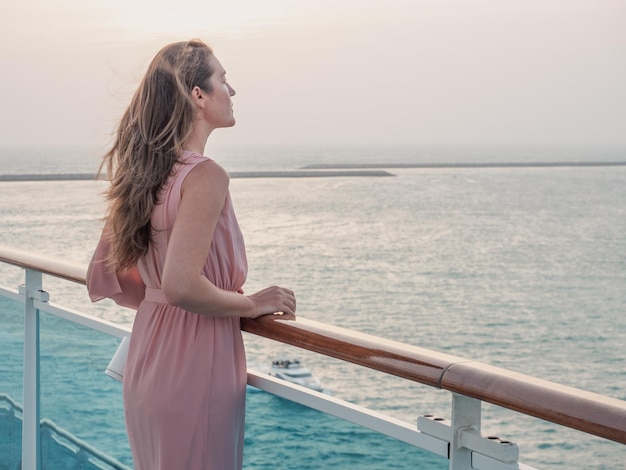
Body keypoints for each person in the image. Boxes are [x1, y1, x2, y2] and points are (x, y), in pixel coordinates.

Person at [86, 39, 296, 470]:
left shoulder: (149, 172)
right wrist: (253, 303)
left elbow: (143, 276)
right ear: (197, 95)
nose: (232, 91)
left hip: (151, 353)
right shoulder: (205, 175)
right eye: (223, 79)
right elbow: (182, 286)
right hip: (195, 357)